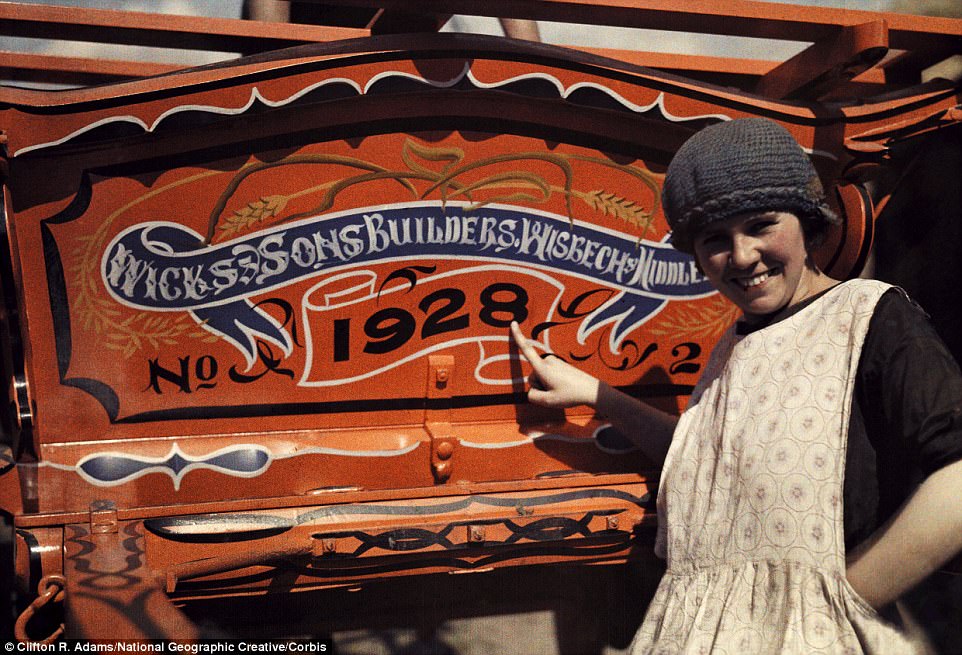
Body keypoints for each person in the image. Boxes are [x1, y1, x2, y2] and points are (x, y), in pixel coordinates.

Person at [510, 117, 962, 654]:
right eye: (715, 239)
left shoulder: (870, 318)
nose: (743, 256)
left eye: (761, 225)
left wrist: (849, 599)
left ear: (807, 220)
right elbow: (704, 464)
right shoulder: (736, 344)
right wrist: (595, 394)